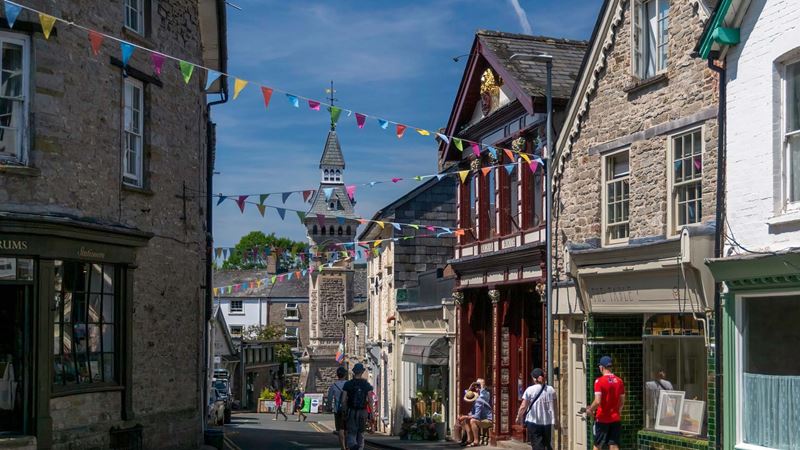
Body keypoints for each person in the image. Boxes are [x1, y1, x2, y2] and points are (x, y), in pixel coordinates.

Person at [587, 356, 625, 450]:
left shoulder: (599, 381)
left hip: (602, 418)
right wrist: (618, 412)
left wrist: (590, 409)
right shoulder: (619, 381)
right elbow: (622, 401)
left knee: (597, 445)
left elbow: (597, 401)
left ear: (602, 367)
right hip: (615, 418)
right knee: (614, 445)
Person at [515, 368, 558, 450]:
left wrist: (518, 416)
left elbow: (523, 406)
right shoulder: (551, 390)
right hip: (547, 422)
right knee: (546, 444)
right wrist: (556, 420)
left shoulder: (530, 390)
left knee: (537, 446)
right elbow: (555, 407)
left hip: (534, 422)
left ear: (534, 379)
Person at [341, 363, 373, 450]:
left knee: (352, 432)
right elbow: (370, 399)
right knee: (361, 432)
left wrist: (344, 411)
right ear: (362, 372)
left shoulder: (348, 384)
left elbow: (343, 400)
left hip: (351, 411)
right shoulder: (366, 385)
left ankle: (354, 446)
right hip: (363, 412)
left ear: (354, 372)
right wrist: (372, 413)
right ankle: (360, 448)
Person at [327, 366, 349, 450]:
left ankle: (342, 447)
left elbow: (329, 398)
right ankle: (347, 446)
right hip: (347, 409)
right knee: (347, 428)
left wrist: (329, 407)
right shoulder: (348, 384)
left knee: (340, 429)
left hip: (338, 410)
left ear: (337, 375)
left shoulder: (334, 385)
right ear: (345, 375)